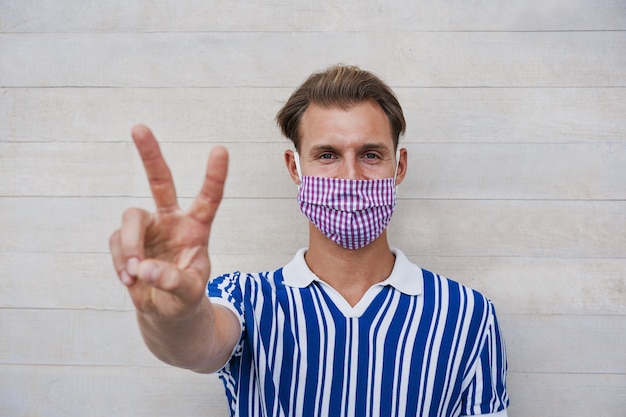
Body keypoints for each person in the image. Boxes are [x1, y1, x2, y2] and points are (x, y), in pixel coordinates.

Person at [109, 64, 509, 417]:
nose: (350, 178)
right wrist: (171, 314)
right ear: (295, 168)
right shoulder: (245, 299)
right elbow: (196, 343)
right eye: (327, 155)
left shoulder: (469, 315)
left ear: (398, 166)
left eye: (370, 154)